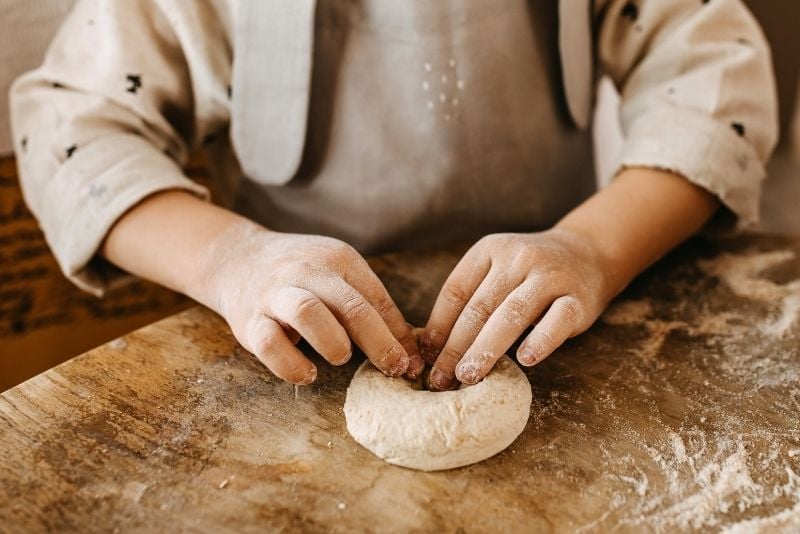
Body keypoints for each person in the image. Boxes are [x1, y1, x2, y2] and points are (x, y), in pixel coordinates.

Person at [10, 0, 777, 390]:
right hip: (300, 353)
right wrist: (230, 261)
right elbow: (76, 126)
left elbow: (711, 78)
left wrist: (595, 249)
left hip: (559, 332)